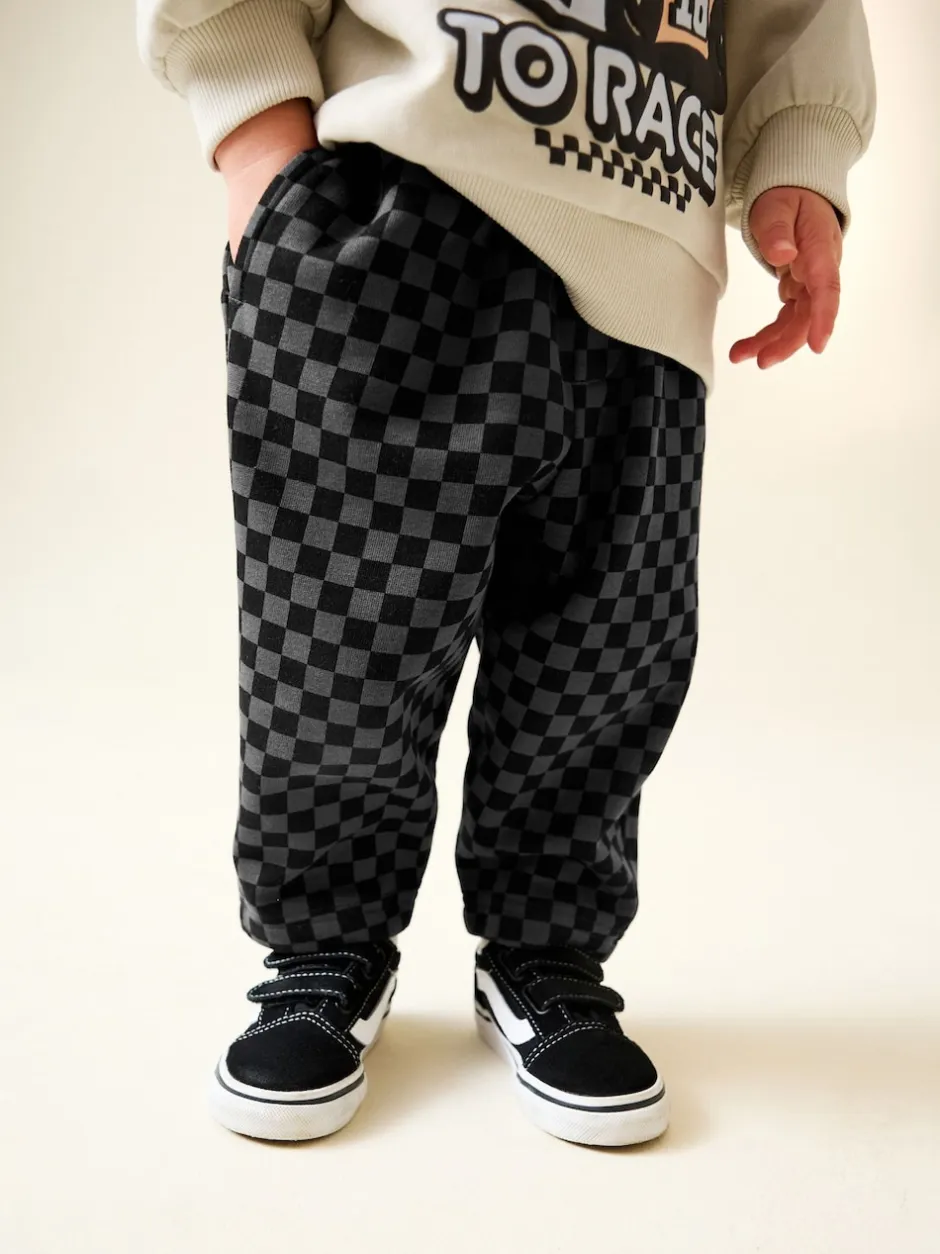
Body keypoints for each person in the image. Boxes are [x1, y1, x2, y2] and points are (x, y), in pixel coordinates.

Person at [136, 0, 876, 1147]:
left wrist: (797, 157)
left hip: (650, 247)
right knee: (339, 646)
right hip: (398, 204)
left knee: (607, 652)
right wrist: (256, 132)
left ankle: (545, 952)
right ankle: (323, 947)